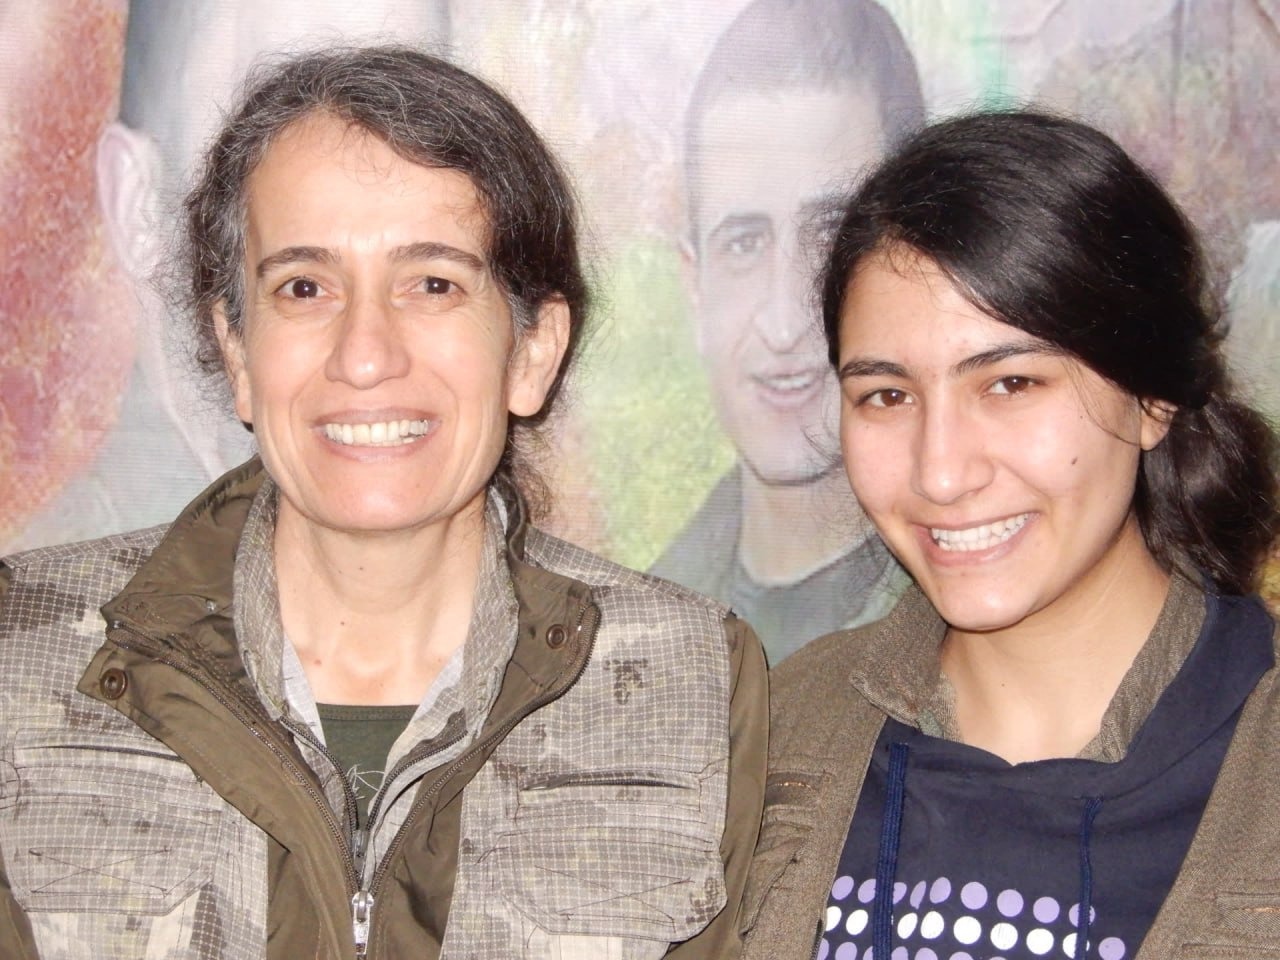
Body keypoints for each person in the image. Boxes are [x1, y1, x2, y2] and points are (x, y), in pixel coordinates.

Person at [0, 46, 767, 959]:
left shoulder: (688, 679)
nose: (365, 355)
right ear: (237, 352)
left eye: (433, 284)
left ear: (531, 352)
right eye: (305, 287)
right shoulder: (23, 653)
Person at [743, 111, 1280, 959]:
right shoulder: (778, 731)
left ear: (1152, 396)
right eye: (887, 396)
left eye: (1011, 383)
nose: (940, 472)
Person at [6, 0, 450, 552]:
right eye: (272, 136)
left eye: (414, 136)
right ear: (137, 208)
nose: (367, 355)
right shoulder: (52, 596)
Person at [651, 0, 923, 664]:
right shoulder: (627, 632)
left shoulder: (998, 612)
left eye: (829, 237)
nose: (783, 323)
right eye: (744, 243)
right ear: (695, 287)